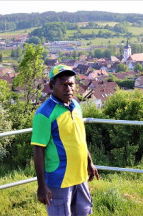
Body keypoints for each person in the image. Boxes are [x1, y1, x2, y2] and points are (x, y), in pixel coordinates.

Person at [31, 64, 99, 216]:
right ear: (51, 85)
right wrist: (41, 185)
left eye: (71, 84)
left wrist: (89, 162)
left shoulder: (75, 105)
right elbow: (38, 150)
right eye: (62, 84)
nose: (68, 88)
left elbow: (80, 138)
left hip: (80, 176)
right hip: (59, 180)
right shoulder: (44, 113)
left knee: (84, 212)